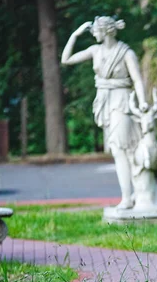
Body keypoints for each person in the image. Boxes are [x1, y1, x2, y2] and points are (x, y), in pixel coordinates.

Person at [61, 16, 148, 210]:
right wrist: (75, 34)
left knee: (123, 149)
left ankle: (131, 196)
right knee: (118, 150)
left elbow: (137, 80)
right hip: (105, 102)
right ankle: (129, 196)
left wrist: (142, 103)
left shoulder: (126, 53)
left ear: (107, 31)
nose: (93, 35)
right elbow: (65, 60)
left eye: (96, 31)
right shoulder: (95, 51)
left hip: (121, 101)